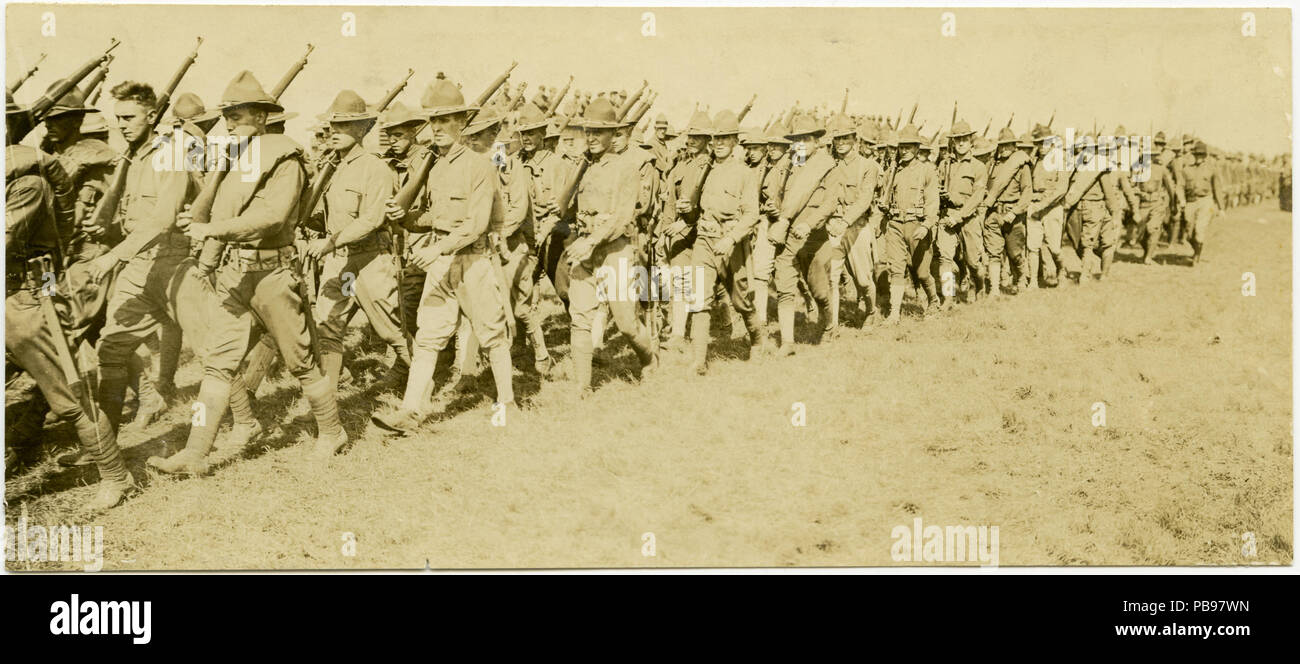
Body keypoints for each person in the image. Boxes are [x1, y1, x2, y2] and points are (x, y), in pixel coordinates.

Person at [153, 70, 348, 473]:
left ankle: (332, 432)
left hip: (275, 276)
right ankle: (195, 451)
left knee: (301, 363)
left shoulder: (286, 157)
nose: (229, 123)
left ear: (262, 116)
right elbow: (224, 212)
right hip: (235, 274)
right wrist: (208, 257)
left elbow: (273, 217)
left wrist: (210, 230)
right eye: (226, 115)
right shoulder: (236, 158)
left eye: (238, 115)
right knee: (217, 364)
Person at [372, 74, 516, 432]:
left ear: (462, 123)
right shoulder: (435, 167)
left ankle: (508, 403)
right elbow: (436, 218)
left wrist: (436, 247)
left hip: (473, 260)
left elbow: (477, 223)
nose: (436, 128)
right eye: (433, 120)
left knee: (491, 333)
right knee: (429, 336)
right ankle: (411, 411)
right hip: (442, 260)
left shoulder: (480, 166)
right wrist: (405, 218)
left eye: (445, 120)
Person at [302, 89, 409, 394]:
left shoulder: (375, 168)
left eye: (344, 126)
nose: (334, 132)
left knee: (390, 330)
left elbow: (372, 219)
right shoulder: (333, 168)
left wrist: (330, 242)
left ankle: (418, 382)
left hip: (371, 261)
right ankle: (329, 394)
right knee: (328, 326)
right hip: (343, 265)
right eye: (332, 126)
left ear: (362, 129)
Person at [686, 109, 762, 373]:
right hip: (704, 240)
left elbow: (752, 213)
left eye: (725, 138)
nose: (719, 144)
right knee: (698, 297)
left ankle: (757, 340)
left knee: (741, 300)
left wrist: (731, 238)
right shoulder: (704, 169)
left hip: (732, 244)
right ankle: (699, 360)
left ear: (734, 142)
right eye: (715, 138)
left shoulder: (744, 173)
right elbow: (696, 206)